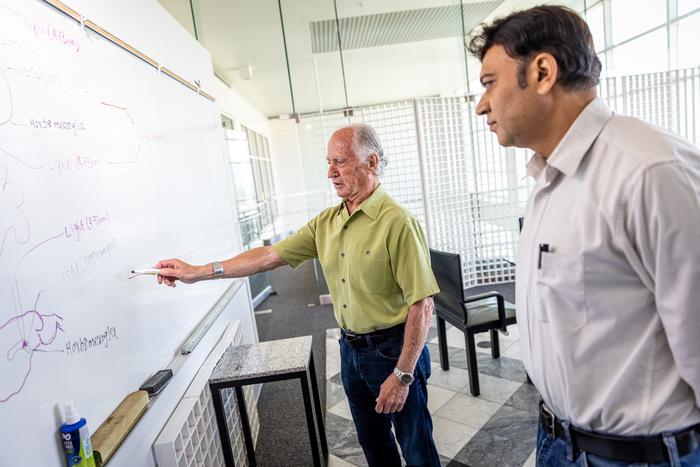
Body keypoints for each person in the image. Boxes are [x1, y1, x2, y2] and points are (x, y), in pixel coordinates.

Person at [468, 5, 700, 467]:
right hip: (556, 440)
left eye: (490, 83)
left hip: (637, 457)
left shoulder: (649, 171)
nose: (482, 105)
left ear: (542, 71)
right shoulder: (547, 180)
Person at [155, 123, 441, 467]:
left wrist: (403, 375)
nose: (330, 172)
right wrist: (197, 272)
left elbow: (422, 304)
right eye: (328, 162)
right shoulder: (327, 223)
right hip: (351, 351)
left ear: (372, 162)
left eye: (340, 162)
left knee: (416, 448)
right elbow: (268, 256)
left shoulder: (397, 222)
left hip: (393, 351)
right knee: (374, 445)